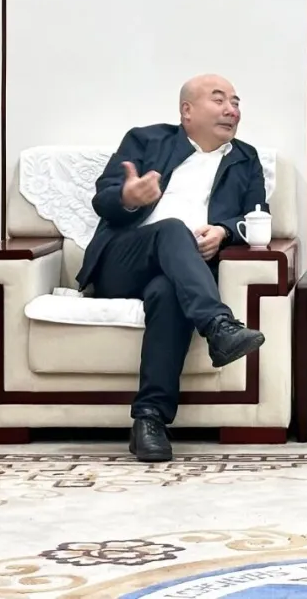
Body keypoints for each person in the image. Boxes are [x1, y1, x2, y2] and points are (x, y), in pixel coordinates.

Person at [76, 74, 267, 462]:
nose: (232, 110)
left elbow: (257, 216)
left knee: (168, 292)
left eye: (235, 102)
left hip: (182, 273)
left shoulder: (246, 159)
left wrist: (224, 231)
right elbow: (103, 200)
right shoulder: (146, 140)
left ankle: (149, 420)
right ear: (187, 110)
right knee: (172, 229)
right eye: (219, 100)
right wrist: (128, 196)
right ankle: (218, 325)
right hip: (123, 261)